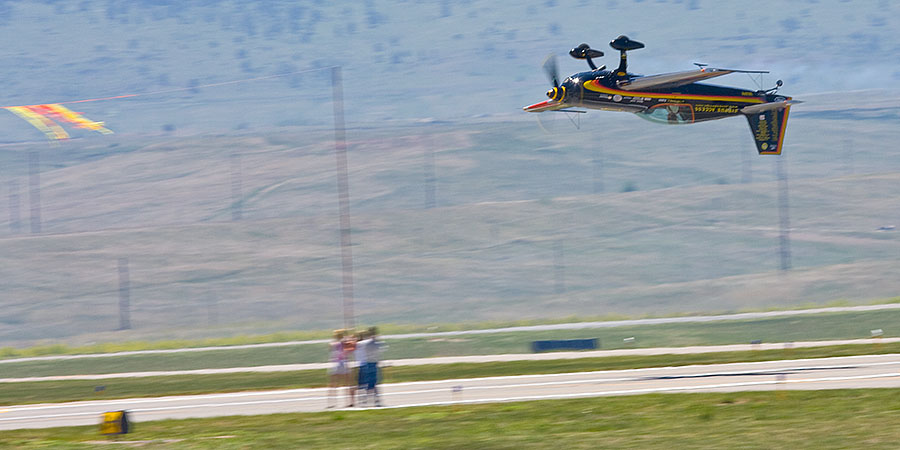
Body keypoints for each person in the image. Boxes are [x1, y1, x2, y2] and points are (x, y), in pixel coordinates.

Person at [357, 326, 386, 407]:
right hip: (373, 363)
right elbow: (379, 352)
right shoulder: (376, 343)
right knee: (373, 383)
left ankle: (364, 400)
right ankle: (376, 400)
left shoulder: (365, 343)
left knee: (368, 383)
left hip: (368, 363)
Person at [326, 329, 349, 408]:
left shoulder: (333, 344)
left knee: (333, 384)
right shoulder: (342, 343)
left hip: (336, 363)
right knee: (346, 383)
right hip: (341, 363)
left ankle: (331, 403)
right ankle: (347, 402)